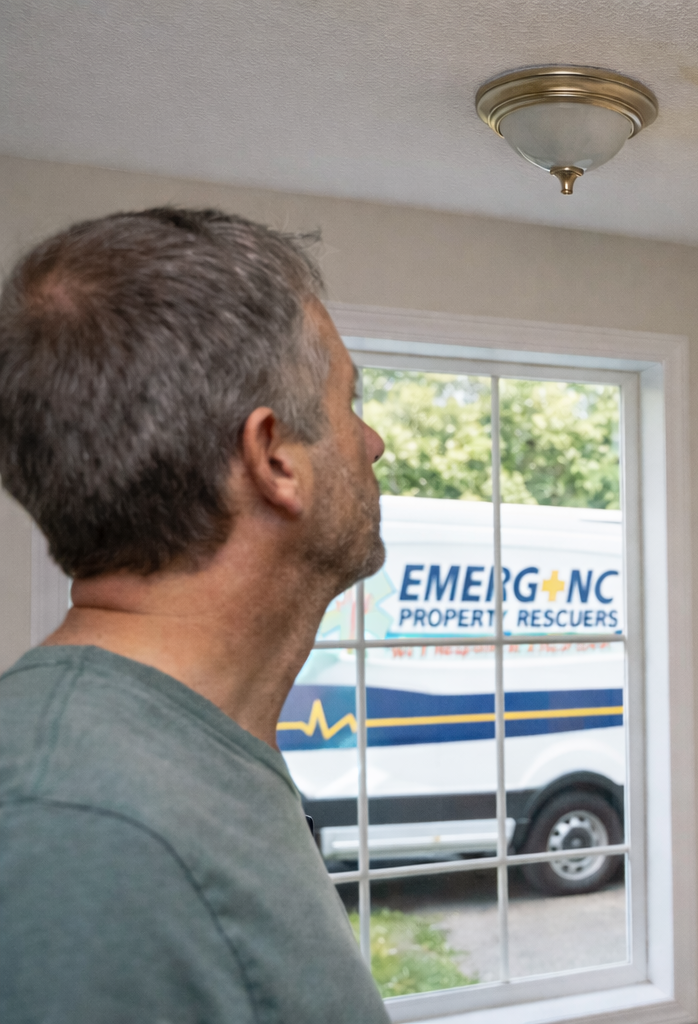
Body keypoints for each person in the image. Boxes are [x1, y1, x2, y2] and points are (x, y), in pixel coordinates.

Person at [0, 208, 390, 1022]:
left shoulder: (175, 761)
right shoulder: (77, 834)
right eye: (349, 403)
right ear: (273, 457)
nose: (373, 441)